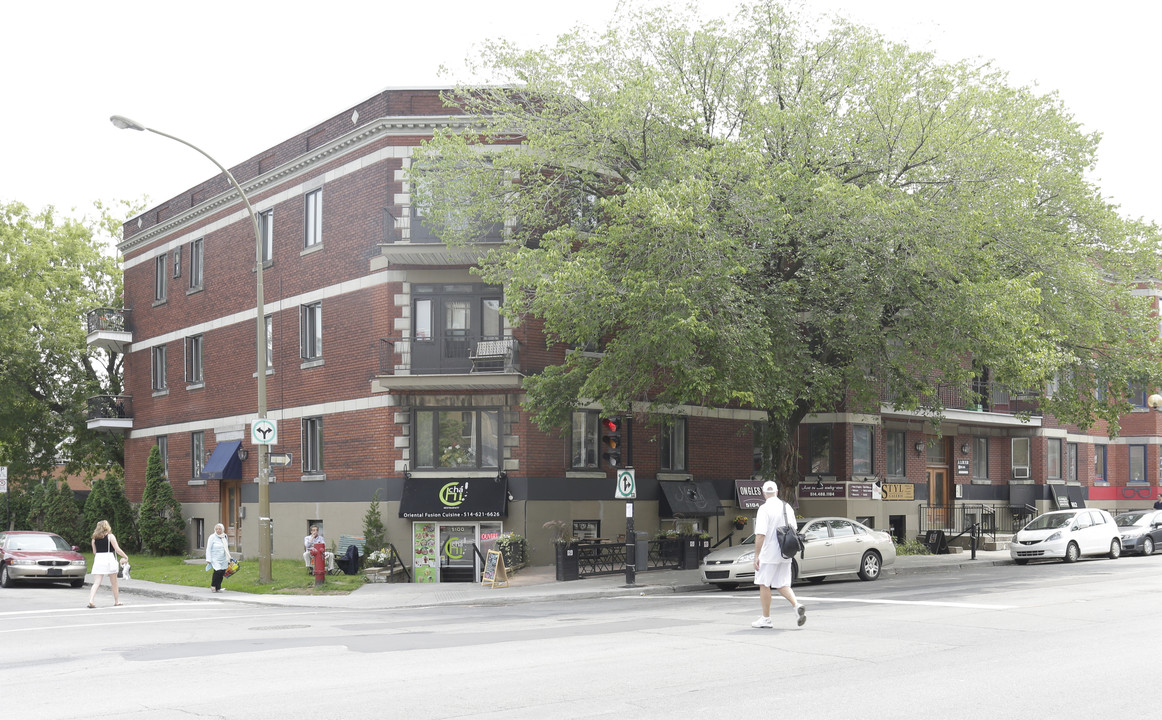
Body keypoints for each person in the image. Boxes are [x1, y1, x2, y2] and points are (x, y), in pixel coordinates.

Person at [752, 480, 806, 628]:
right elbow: (793, 528)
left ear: (764, 493)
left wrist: (756, 555)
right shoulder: (786, 506)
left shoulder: (763, 509)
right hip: (785, 552)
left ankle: (766, 618)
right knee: (782, 584)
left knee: (764, 584)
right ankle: (796, 605)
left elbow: (760, 535)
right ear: (776, 492)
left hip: (769, 553)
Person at [87, 520, 129, 608]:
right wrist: (125, 556)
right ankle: (116, 601)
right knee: (114, 582)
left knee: (96, 582)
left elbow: (94, 552)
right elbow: (117, 549)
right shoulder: (110, 536)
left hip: (98, 559)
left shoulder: (94, 539)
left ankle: (91, 600)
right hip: (109, 558)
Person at [206, 523, 231, 593]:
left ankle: (218, 587)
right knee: (217, 571)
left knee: (222, 572)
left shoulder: (224, 536)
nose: (218, 530)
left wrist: (229, 557)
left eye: (219, 529)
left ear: (222, 529)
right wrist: (208, 559)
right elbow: (208, 548)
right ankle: (213, 586)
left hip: (223, 558)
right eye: (216, 529)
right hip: (215, 557)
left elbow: (226, 548)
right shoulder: (212, 537)